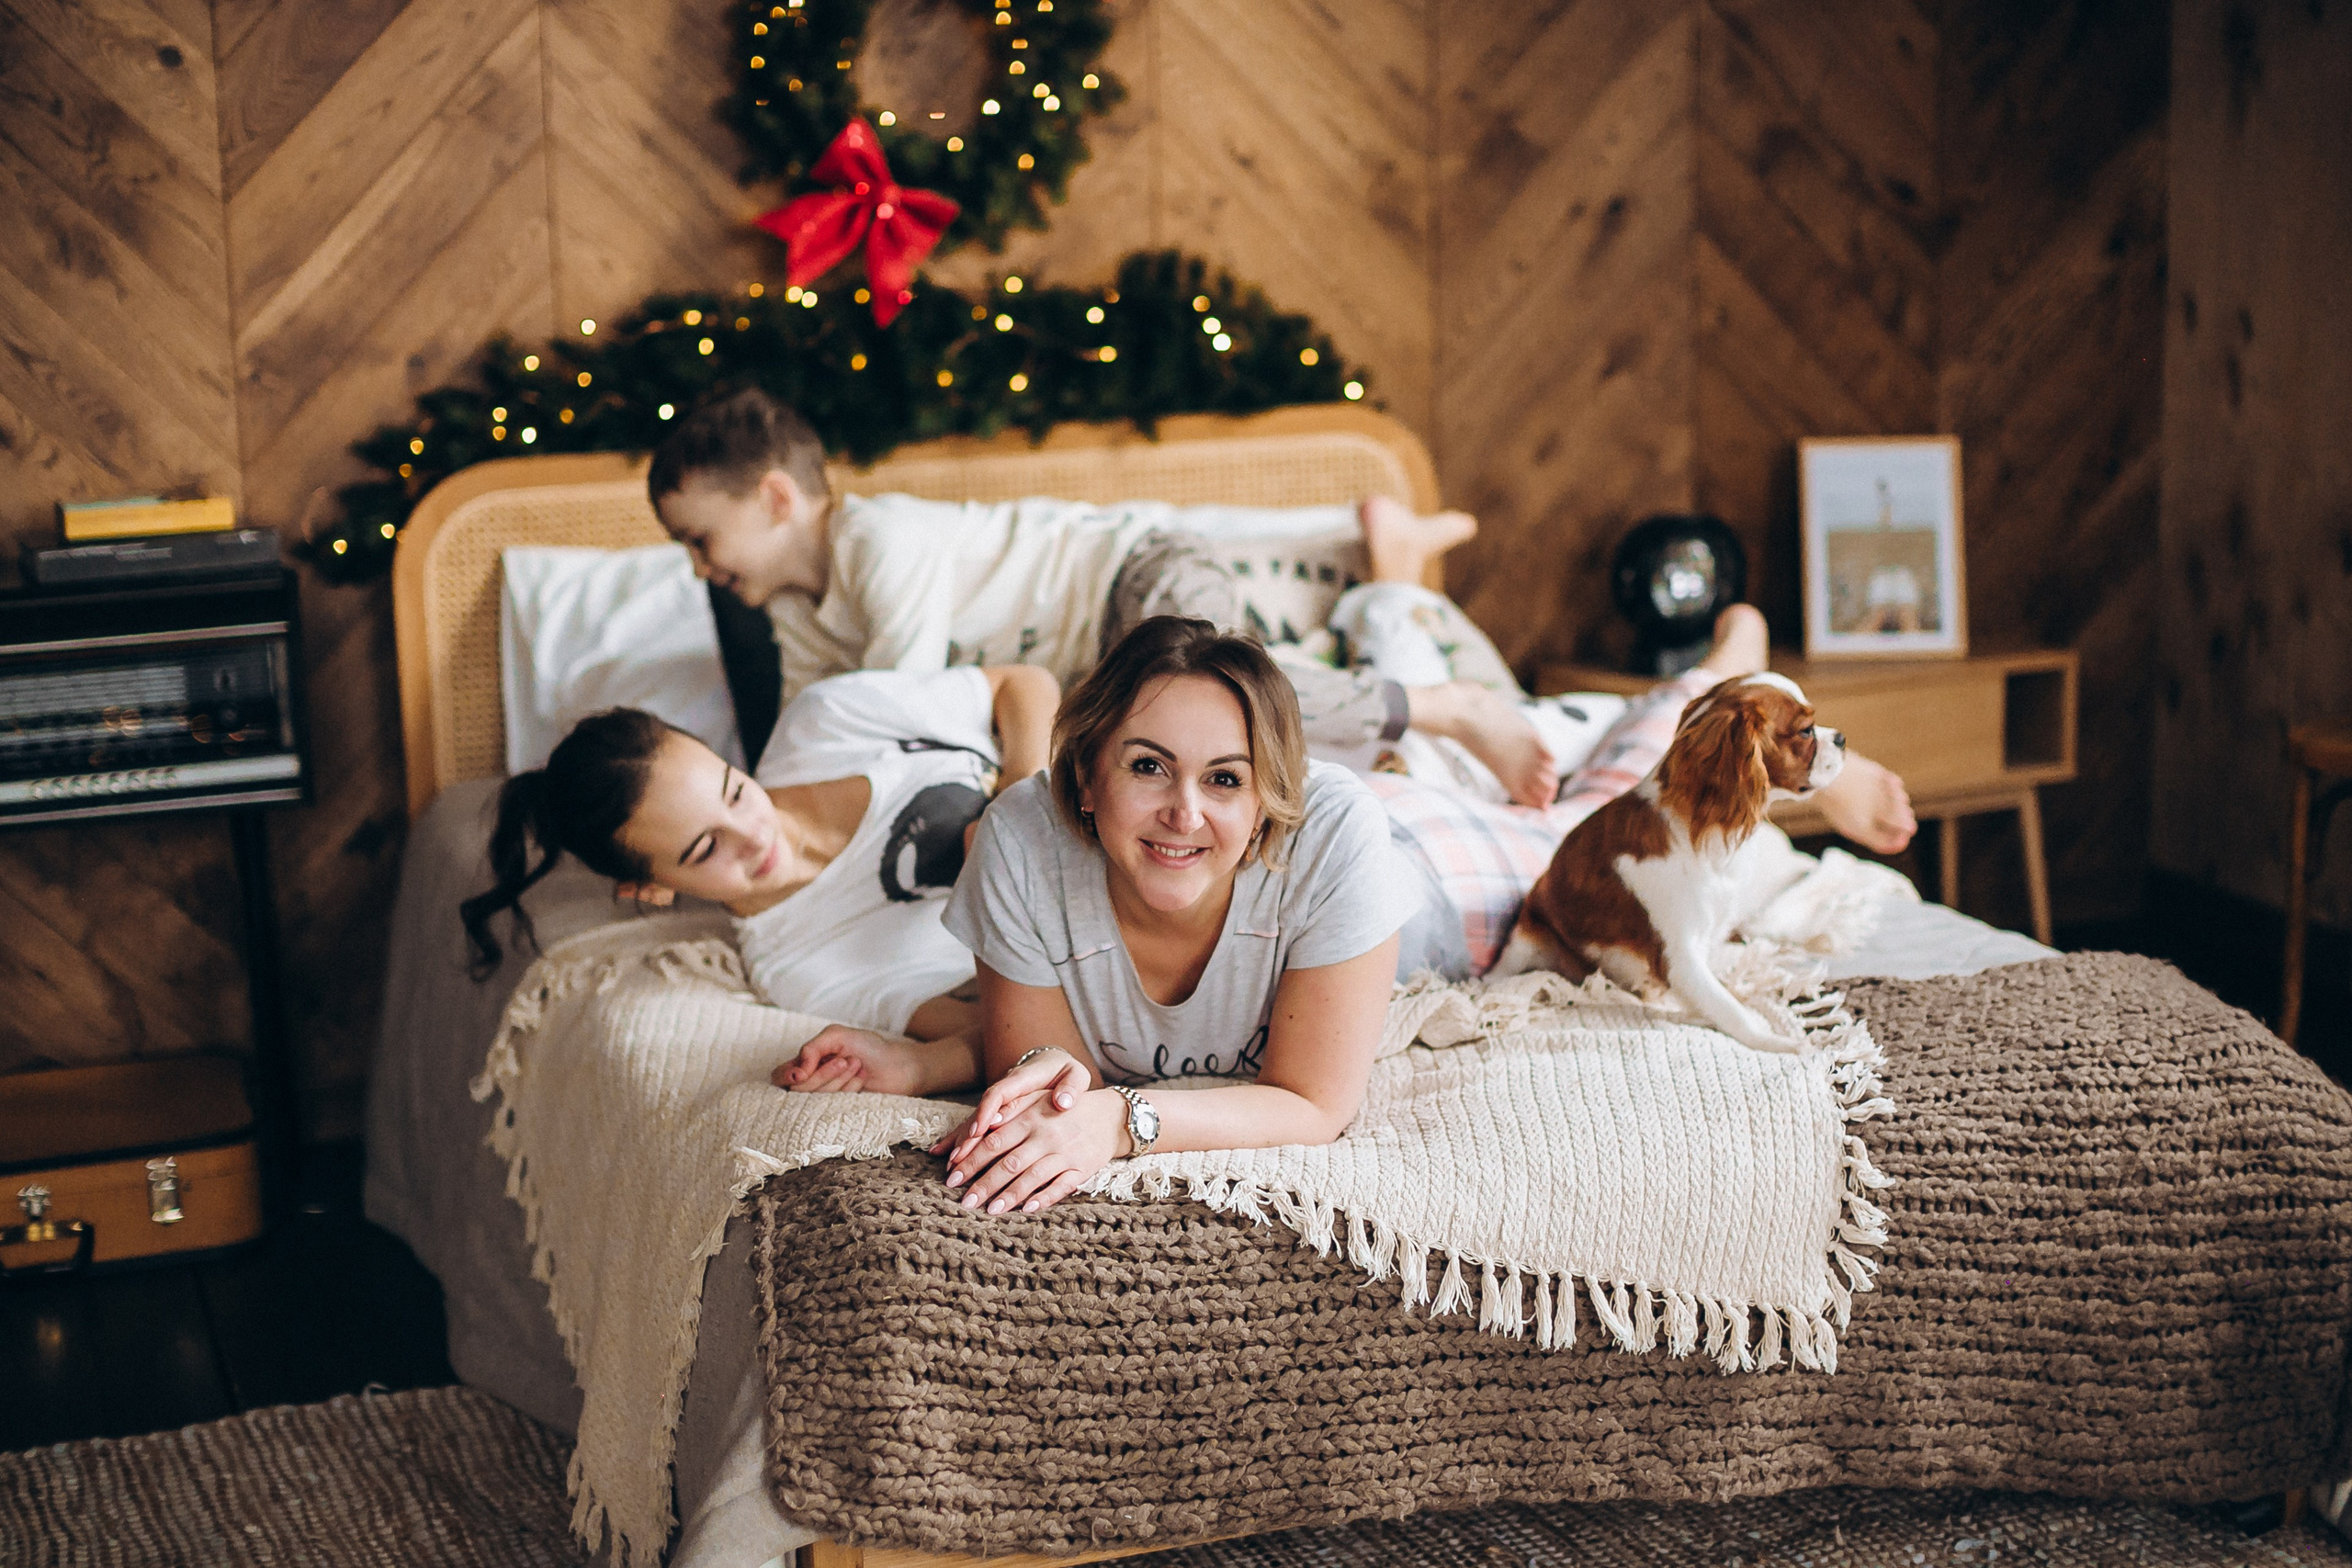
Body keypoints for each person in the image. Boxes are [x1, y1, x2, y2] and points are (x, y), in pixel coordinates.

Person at [646, 388, 1562, 807]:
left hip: (1135, 573)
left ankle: (1445, 705)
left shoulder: (879, 543)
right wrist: (737, 810)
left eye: (699, 539)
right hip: (1103, 673)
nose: (699, 568)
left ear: (774, 500)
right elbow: (822, 731)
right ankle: (1386, 598)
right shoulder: (793, 616)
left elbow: (906, 700)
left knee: (1219, 700)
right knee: (1170, 728)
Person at [927, 615, 1422, 1217]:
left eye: (1224, 778)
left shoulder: (1338, 840)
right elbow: (1058, 1093)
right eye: (1148, 767)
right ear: (1086, 775)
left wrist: (1121, 1118)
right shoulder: (1019, 842)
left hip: (1433, 865)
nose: (1184, 814)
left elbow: (1314, 1103)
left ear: (1263, 802)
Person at [457, 661, 1061, 1097]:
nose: (753, 834)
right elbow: (1018, 1034)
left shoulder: (827, 721)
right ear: (654, 889)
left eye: (734, 791)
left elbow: (1023, 684)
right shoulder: (800, 965)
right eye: (704, 848)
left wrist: (1016, 801)